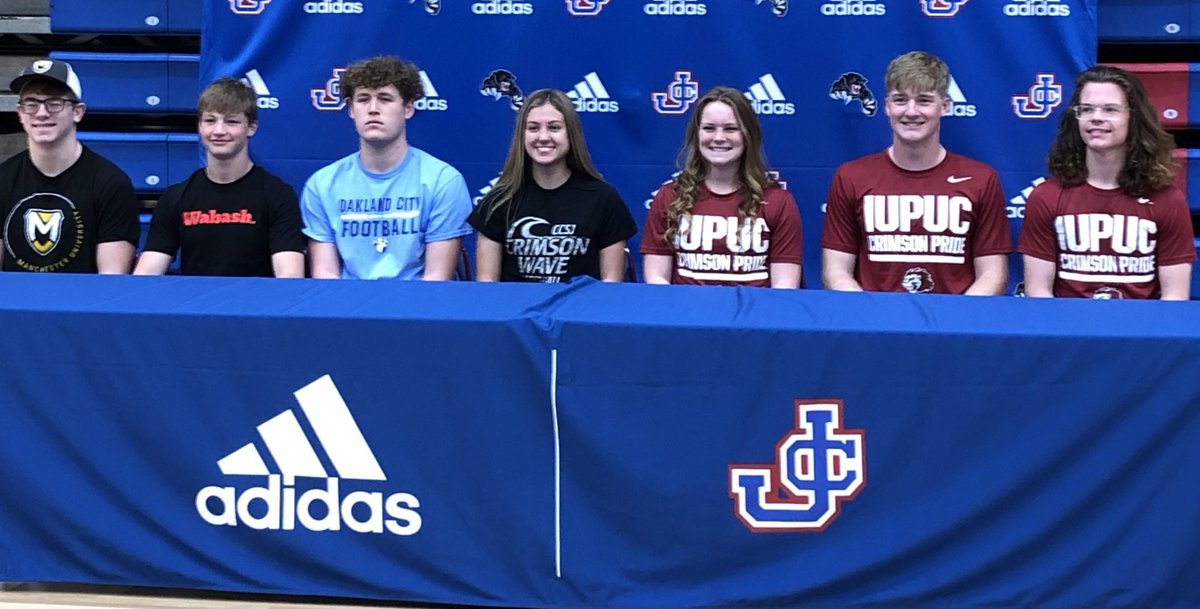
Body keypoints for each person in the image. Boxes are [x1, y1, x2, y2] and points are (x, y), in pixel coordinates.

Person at [822, 51, 1011, 295]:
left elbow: (993, 274)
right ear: (887, 106)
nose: (911, 111)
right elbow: (835, 271)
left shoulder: (981, 179)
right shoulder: (850, 177)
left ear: (945, 106)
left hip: (954, 326)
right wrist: (872, 318)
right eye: (900, 100)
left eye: (924, 100)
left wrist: (953, 323)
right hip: (874, 325)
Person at [1019, 65, 1194, 300]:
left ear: (1134, 118)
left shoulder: (1167, 200)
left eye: (1110, 109)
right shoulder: (1046, 196)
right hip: (1066, 331)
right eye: (1087, 109)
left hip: (1142, 332)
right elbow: (1038, 292)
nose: (1097, 118)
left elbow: (1175, 297)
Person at [301, 55, 472, 280]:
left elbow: (436, 281)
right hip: (347, 308)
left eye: (385, 99)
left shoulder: (443, 181)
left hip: (418, 309)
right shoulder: (322, 185)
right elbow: (326, 277)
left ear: (408, 108)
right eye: (363, 99)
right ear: (351, 110)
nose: (373, 109)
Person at [134, 78, 305, 277]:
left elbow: (290, 280)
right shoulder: (176, 197)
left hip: (256, 306)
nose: (219, 131)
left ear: (251, 127)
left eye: (231, 121)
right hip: (194, 306)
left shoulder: (278, 196)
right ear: (199, 126)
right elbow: (147, 274)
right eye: (210, 120)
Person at [469, 89, 636, 283]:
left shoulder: (603, 199)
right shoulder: (498, 201)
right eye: (533, 128)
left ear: (571, 134)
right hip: (514, 311)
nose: (543, 137)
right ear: (521, 136)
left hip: (579, 312)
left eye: (554, 128)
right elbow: (487, 288)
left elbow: (611, 286)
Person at [641, 86, 801, 287]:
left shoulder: (778, 201)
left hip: (754, 316)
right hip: (686, 316)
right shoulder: (669, 196)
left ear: (747, 135)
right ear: (696, 135)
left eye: (730, 129)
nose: (718, 137)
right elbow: (656, 279)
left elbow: (784, 287)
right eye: (709, 128)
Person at [0, 59, 139, 273]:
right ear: (20, 113)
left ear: (78, 112)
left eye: (54, 103)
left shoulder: (111, 184)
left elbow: (111, 284)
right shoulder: (4, 179)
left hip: (82, 304)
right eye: (31, 104)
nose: (41, 113)